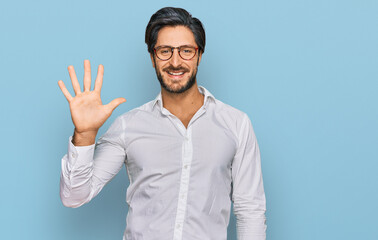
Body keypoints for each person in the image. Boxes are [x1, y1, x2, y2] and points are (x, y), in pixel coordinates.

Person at [58, 7, 266, 240]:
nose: (175, 62)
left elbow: (251, 210)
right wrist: (84, 134)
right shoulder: (128, 126)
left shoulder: (236, 124)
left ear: (199, 55)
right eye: (165, 51)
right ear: (152, 57)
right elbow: (74, 196)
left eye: (186, 51)